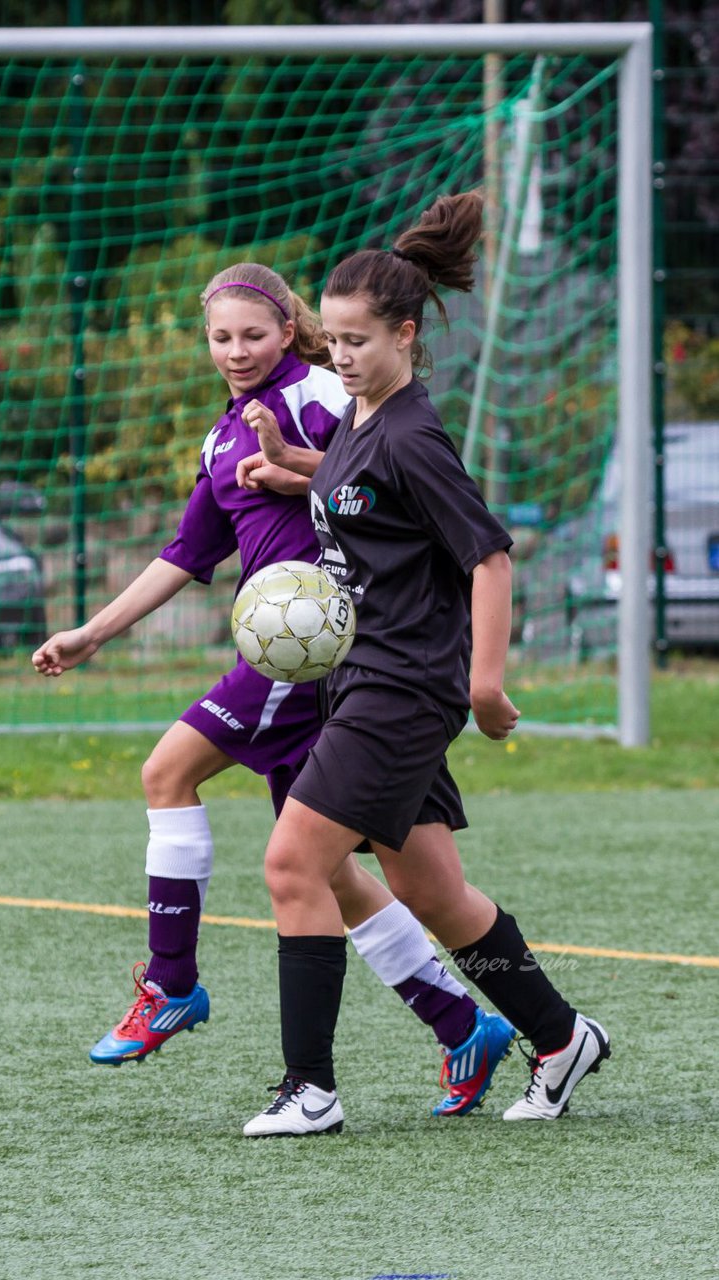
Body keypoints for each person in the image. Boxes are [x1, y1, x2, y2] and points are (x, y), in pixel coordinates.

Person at [32, 261, 515, 1117]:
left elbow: (386, 476)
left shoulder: (323, 394)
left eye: (254, 334)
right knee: (336, 877)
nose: (236, 351)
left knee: (167, 774)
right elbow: (187, 553)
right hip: (303, 660)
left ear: (291, 330)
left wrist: (299, 472)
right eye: (220, 337)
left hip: (315, 652)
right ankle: (460, 1024)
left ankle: (174, 984)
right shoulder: (224, 436)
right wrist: (91, 633)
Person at [238, 193, 611, 1138]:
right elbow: (364, 494)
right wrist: (294, 463)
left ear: (406, 335)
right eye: (332, 340)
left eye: (360, 340)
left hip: (404, 689)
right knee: (430, 891)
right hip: (365, 680)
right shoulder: (366, 423)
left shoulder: (414, 433)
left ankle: (310, 1089)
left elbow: (487, 555)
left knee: (293, 865)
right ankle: (563, 1040)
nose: (340, 355)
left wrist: (485, 683)